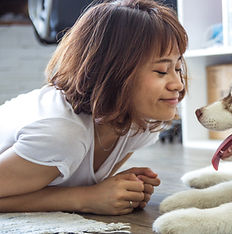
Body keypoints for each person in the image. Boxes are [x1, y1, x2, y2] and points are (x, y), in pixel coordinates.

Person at [0, 0, 188, 215]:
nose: (178, 84)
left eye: (178, 68)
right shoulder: (61, 135)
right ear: (112, 72)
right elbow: (82, 193)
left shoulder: (139, 124)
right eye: (162, 71)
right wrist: (85, 198)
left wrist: (120, 188)